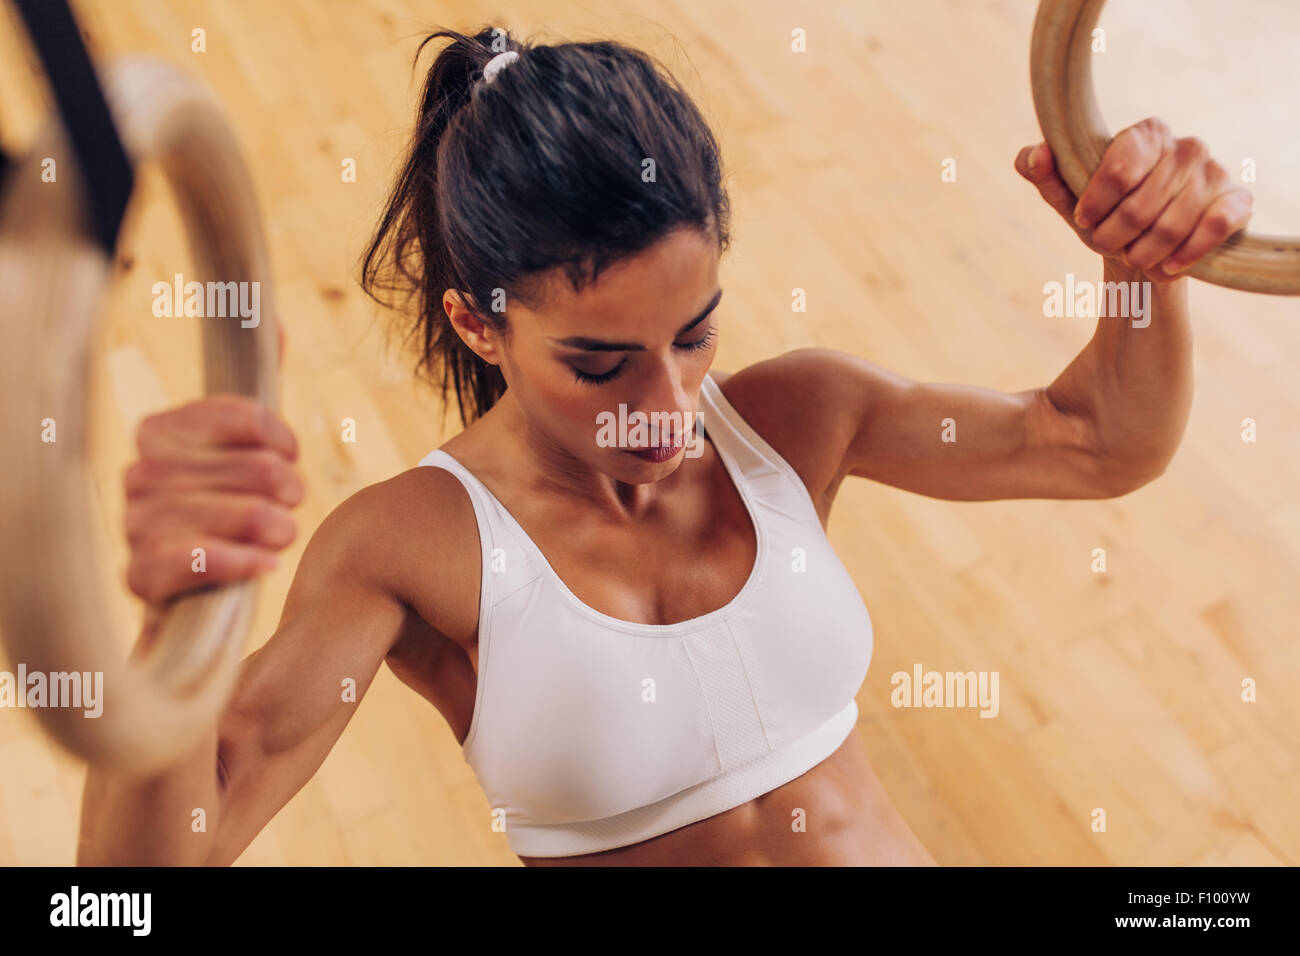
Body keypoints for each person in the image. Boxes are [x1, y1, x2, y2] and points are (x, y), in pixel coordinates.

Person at [77, 26, 1251, 866]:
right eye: (598, 363)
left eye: (694, 334)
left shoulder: (798, 418)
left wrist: (1140, 273)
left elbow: (1094, 442)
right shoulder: (409, 545)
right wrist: (185, 611)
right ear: (478, 323)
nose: (669, 406)